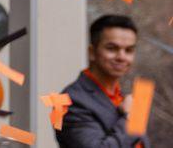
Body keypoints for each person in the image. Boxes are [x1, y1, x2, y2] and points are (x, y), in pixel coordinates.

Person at [56, 15, 148, 147]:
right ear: (92, 52)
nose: (122, 57)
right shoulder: (69, 101)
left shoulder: (127, 99)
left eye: (129, 50)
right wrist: (130, 118)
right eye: (112, 48)